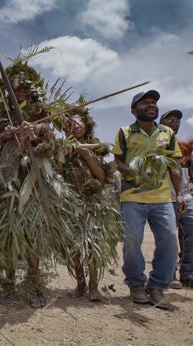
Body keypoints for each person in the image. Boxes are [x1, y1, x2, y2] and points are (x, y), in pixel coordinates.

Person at [0, 60, 79, 308]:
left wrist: (35, 136)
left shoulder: (41, 115)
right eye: (14, 86)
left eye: (23, 87)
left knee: (32, 233)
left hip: (33, 180)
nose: (19, 90)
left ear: (31, 91)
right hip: (3, 180)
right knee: (7, 232)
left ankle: (34, 285)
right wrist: (2, 136)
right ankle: (8, 286)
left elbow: (51, 147)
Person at [112, 90, 186, 309]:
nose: (151, 105)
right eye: (145, 102)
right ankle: (136, 284)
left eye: (154, 102)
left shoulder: (167, 134)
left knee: (170, 239)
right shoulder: (125, 133)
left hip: (162, 197)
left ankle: (157, 287)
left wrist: (179, 193)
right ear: (134, 110)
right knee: (132, 240)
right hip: (132, 196)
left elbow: (174, 165)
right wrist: (136, 173)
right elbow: (117, 161)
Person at [58, 110, 122, 302]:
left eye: (80, 122)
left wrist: (87, 156)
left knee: (92, 246)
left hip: (93, 202)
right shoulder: (62, 147)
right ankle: (80, 284)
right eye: (71, 123)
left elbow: (102, 177)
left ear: (87, 124)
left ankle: (94, 286)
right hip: (71, 203)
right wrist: (65, 154)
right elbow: (57, 173)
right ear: (65, 128)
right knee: (75, 247)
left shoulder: (95, 146)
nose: (76, 125)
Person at [159, 110, 193, 289]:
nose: (175, 123)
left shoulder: (183, 147)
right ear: (161, 122)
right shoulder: (154, 143)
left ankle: (189, 274)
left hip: (185, 195)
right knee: (169, 236)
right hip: (163, 197)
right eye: (170, 120)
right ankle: (169, 273)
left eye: (178, 120)